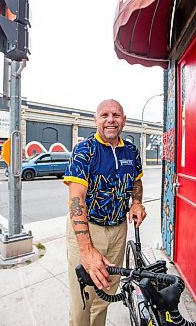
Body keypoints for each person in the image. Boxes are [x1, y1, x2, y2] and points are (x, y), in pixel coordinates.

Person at [63, 99, 147, 326]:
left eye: (116, 115)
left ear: (124, 120)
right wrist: (87, 250)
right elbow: (76, 199)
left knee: (106, 294)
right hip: (89, 231)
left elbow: (136, 181)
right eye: (105, 115)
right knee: (83, 299)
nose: (111, 120)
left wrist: (136, 202)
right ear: (96, 120)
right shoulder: (85, 151)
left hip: (119, 230)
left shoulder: (131, 150)